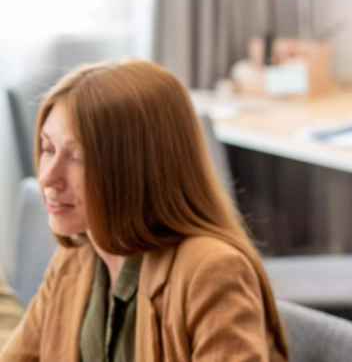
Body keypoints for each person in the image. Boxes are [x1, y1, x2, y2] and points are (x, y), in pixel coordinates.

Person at [0, 60, 289, 362]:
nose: (47, 177)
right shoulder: (75, 260)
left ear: (135, 169)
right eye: (48, 149)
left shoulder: (210, 272)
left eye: (77, 157)